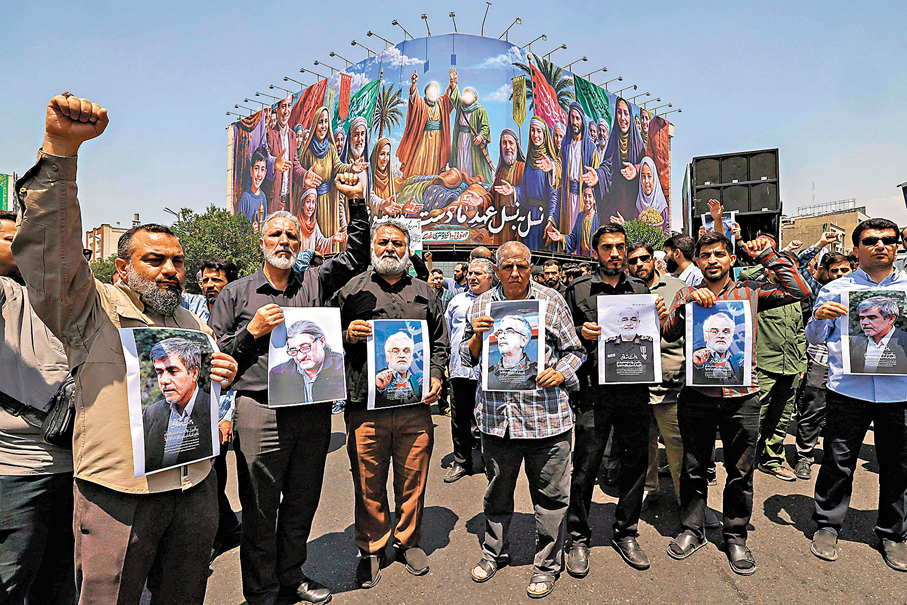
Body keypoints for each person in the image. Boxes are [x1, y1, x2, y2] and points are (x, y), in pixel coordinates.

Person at [12, 94, 239, 604]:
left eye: (177, 261)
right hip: (120, 496)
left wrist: (219, 369)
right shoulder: (90, 308)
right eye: (154, 260)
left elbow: (201, 382)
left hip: (194, 486)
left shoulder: (188, 319)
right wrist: (61, 154)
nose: (170, 270)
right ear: (122, 268)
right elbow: (52, 251)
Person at [211, 173, 369, 605]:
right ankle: (261, 590)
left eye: (291, 236)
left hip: (311, 409)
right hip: (259, 410)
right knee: (260, 508)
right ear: (261, 242)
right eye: (276, 234)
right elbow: (216, 357)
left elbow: (356, 256)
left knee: (302, 501)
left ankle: (291, 576)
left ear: (300, 243)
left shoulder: (314, 282)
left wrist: (357, 204)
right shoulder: (235, 294)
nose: (284, 241)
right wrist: (252, 332)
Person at [661, 231, 810, 575]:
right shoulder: (686, 293)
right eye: (705, 255)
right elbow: (668, 332)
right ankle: (692, 529)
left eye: (718, 254)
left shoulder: (751, 291)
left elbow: (799, 291)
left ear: (731, 258)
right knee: (693, 467)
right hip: (697, 397)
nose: (712, 260)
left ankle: (735, 536)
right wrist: (686, 306)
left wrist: (768, 256)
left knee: (740, 471)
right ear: (697, 261)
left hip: (741, 398)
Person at [463, 241, 585, 599]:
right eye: (507, 267)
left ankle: (547, 565)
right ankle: (494, 552)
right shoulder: (480, 304)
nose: (515, 273)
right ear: (496, 270)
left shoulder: (552, 301)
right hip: (497, 421)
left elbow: (575, 351)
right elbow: (467, 356)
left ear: (531, 267)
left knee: (551, 498)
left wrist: (560, 373)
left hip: (546, 419)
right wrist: (477, 337)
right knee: (497, 493)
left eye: (522, 266)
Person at [331, 219, 448, 588]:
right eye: (383, 242)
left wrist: (436, 376)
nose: (389, 249)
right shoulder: (350, 290)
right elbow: (324, 338)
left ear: (407, 249)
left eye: (397, 243)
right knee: (368, 481)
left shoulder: (425, 293)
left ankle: (408, 541)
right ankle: (371, 547)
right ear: (372, 248)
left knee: (413, 479)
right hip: (365, 407)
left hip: (415, 408)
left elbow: (439, 344)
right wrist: (346, 334)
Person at [564, 224, 668, 576]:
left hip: (634, 390)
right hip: (594, 392)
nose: (615, 253)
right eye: (607, 247)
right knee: (586, 466)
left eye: (620, 247)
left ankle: (626, 532)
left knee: (634, 463)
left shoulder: (640, 289)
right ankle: (578, 536)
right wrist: (580, 332)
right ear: (596, 252)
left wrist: (659, 320)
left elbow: (652, 336)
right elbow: (560, 338)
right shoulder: (578, 290)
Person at [806, 218, 907, 571]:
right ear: (856, 249)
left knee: (898, 465)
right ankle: (827, 524)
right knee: (838, 459)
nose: (881, 245)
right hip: (848, 390)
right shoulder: (836, 288)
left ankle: (893, 533)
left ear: (897, 246)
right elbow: (814, 338)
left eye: (888, 240)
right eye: (871, 240)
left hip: (900, 392)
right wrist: (819, 317)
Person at [0, 210, 75, 605]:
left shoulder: (75, 300)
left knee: (59, 585)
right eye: (10, 238)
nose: (25, 245)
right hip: (17, 474)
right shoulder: (7, 295)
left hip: (77, 469)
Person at [181, 257, 243, 559]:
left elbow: (236, 373)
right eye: (204, 280)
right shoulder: (192, 308)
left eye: (216, 280)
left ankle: (216, 536)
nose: (209, 286)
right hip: (192, 406)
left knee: (213, 477)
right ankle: (228, 526)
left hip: (220, 412)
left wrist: (226, 418)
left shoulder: (240, 313)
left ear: (230, 284)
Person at [625, 243, 686, 511]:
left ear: (654, 260)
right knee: (643, 444)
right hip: (635, 383)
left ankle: (688, 501)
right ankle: (649, 489)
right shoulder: (621, 291)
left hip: (669, 381)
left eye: (644, 258)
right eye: (633, 260)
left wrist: (669, 321)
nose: (639, 264)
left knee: (677, 445)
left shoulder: (677, 288)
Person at [739, 253, 807, 482]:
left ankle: (771, 460)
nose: (785, 273)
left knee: (781, 418)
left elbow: (799, 333)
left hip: (791, 367)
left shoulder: (794, 298)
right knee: (756, 417)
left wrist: (802, 364)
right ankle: (744, 461)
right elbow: (743, 276)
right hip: (764, 366)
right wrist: (767, 262)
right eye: (781, 268)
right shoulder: (760, 293)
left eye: (790, 269)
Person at [793, 252, 854, 480]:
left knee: (843, 414)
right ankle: (804, 456)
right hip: (820, 358)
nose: (839, 274)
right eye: (834, 271)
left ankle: (834, 459)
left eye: (844, 270)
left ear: (853, 269)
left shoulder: (862, 292)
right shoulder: (820, 291)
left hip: (851, 364)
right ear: (826, 273)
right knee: (812, 409)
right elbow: (800, 270)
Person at [443, 258, 495, 483]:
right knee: (460, 418)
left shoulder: (499, 303)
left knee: (489, 418)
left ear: (490, 277)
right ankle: (461, 461)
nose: (472, 277)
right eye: (470, 273)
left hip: (491, 373)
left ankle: (491, 462)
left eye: (478, 274)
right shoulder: (456, 301)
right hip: (461, 370)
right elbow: (446, 333)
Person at [142, 338, 213, 473]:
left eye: (173, 371)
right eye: (159, 372)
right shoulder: (151, 413)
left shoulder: (213, 409)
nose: (164, 380)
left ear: (194, 373)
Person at [298, 106, 363, 253]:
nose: (323, 126)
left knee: (329, 236)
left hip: (329, 201)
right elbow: (301, 178)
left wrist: (351, 167)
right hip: (312, 202)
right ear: (315, 124)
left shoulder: (331, 149)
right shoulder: (308, 151)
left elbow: (338, 167)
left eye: (326, 122)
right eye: (320, 122)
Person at [494, 117, 559, 250]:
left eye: (539, 131)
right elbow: (524, 191)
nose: (535, 135)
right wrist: (513, 190)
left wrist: (551, 220)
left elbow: (554, 196)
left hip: (544, 219)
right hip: (529, 218)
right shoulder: (529, 162)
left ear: (544, 134)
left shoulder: (549, 163)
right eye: (532, 131)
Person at [586, 98, 646, 223]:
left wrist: (636, 169)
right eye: (619, 112)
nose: (622, 118)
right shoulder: (614, 141)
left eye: (626, 113)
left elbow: (648, 165)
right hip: (616, 202)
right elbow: (608, 165)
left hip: (634, 203)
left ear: (630, 116)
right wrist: (598, 175)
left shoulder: (639, 144)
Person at [268, 320, 345, 406]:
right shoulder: (278, 373)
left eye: (305, 348)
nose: (300, 357)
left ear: (322, 342)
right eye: (293, 350)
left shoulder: (341, 366)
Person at [397, 69, 455, 178]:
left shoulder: (442, 102)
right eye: (430, 91)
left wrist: (452, 83)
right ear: (426, 93)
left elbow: (450, 98)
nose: (433, 94)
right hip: (424, 137)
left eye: (435, 91)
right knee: (420, 158)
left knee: (435, 160)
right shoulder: (422, 103)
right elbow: (414, 99)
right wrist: (414, 84)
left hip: (438, 139)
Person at [553, 102, 600, 238]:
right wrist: (552, 166)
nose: (574, 122)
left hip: (583, 198)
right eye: (572, 118)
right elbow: (559, 165)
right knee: (568, 231)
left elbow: (597, 175)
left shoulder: (590, 148)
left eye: (577, 118)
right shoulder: (565, 144)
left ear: (582, 121)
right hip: (567, 196)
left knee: (582, 233)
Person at [265, 96, 313, 214]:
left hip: (287, 202)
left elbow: (295, 166)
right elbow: (264, 162)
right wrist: (274, 163)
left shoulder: (292, 135)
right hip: (273, 201)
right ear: (277, 109)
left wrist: (305, 175)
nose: (286, 111)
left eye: (289, 106)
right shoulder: (269, 135)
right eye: (283, 106)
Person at [449, 76, 494, 186]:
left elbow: (485, 127)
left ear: (474, 98)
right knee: (461, 158)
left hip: (472, 140)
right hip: (461, 138)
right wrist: (453, 83)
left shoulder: (480, 110)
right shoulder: (461, 106)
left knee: (471, 160)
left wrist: (480, 137)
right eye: (465, 95)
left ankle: (471, 182)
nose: (467, 98)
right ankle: (461, 181)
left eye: (469, 96)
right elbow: (455, 97)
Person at [848, 295, 907, 373]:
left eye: (872, 317)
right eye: (862, 318)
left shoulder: (904, 340)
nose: (864, 322)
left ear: (891, 319)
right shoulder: (855, 341)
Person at [603, 305, 657, 383]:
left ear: (639, 322)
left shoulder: (649, 344)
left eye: (633, 320)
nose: (629, 324)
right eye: (624, 320)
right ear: (618, 322)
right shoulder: (607, 345)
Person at [491, 129, 526, 244]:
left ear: (517, 147)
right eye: (504, 143)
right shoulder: (500, 171)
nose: (507, 147)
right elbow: (492, 195)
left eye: (511, 143)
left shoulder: (523, 168)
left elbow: (531, 193)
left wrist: (514, 191)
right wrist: (481, 199)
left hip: (518, 221)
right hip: (501, 222)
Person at [486, 314, 539, 390]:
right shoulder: (487, 374)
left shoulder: (537, 372)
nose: (501, 336)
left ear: (523, 341)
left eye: (509, 331)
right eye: (500, 332)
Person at [691, 312, 745, 385]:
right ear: (705, 336)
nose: (721, 336)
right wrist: (698, 365)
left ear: (731, 337)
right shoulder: (696, 356)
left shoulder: (736, 361)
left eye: (726, 332)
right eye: (715, 331)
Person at [548, 183, 600, 257]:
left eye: (590, 196)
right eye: (584, 195)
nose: (587, 199)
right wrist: (561, 237)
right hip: (581, 257)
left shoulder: (598, 217)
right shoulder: (580, 216)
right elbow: (574, 239)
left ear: (595, 199)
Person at [238, 146, 269, 229]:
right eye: (256, 168)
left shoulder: (263, 197)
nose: (259, 174)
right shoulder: (245, 197)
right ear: (251, 171)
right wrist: (250, 230)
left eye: (262, 170)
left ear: (265, 173)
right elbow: (238, 228)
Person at [369, 137, 400, 217]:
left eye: (388, 154)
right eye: (382, 154)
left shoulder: (389, 178)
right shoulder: (368, 176)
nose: (385, 159)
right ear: (376, 155)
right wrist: (381, 205)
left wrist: (402, 209)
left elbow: (392, 206)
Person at [636, 157, 669, 226]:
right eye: (643, 176)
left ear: (654, 178)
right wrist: (625, 224)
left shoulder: (661, 205)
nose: (646, 181)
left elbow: (667, 227)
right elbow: (634, 227)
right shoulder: (639, 203)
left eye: (649, 176)